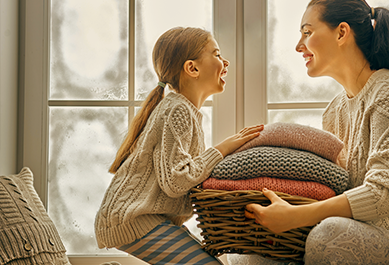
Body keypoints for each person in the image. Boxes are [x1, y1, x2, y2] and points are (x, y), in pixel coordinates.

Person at [245, 0, 389, 264]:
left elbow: (386, 193)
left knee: (328, 235)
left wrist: (297, 216)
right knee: (248, 257)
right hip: (364, 237)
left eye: (307, 32)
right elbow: (336, 189)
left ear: (341, 32)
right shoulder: (334, 111)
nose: (299, 46)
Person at [94, 27, 263, 265]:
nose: (225, 62)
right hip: (134, 219)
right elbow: (176, 180)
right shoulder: (178, 110)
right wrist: (222, 149)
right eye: (216, 54)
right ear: (192, 68)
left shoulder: (183, 110)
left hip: (143, 218)